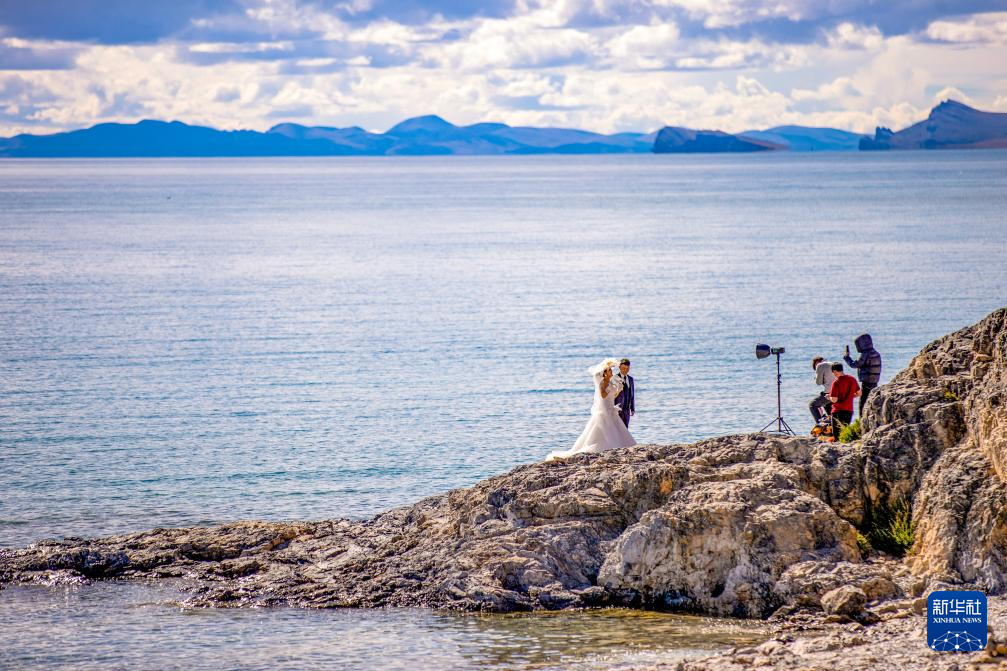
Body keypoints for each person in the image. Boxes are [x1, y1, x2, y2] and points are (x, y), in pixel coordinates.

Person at [547, 359, 636, 460]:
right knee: (607, 427)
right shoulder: (603, 383)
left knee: (615, 427)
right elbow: (603, 395)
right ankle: (607, 444)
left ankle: (618, 443)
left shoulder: (610, 381)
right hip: (605, 409)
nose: (611, 371)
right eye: (609, 370)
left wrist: (618, 391)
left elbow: (612, 396)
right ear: (605, 373)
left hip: (611, 407)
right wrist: (614, 389)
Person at [844, 333, 882, 416]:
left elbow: (855, 365)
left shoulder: (866, 354)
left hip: (867, 382)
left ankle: (862, 420)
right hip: (874, 382)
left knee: (863, 403)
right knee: (871, 401)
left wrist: (847, 358)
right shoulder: (876, 353)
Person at [828, 362, 861, 439]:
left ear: (834, 371)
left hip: (838, 411)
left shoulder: (836, 382)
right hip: (849, 410)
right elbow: (859, 393)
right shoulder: (852, 379)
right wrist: (850, 397)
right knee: (845, 433)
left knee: (837, 436)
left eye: (833, 372)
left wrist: (829, 397)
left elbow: (834, 400)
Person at [809, 356, 835, 425]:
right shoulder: (832, 364)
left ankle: (821, 425)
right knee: (826, 403)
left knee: (812, 405)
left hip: (831, 392)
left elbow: (818, 382)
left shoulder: (820, 366)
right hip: (840, 391)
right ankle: (830, 422)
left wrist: (816, 377)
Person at [613, 358, 635, 428]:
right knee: (618, 429)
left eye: (627, 368)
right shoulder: (615, 378)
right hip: (618, 410)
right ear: (619, 367)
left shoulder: (631, 379)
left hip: (627, 410)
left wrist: (632, 408)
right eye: (623, 368)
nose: (625, 370)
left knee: (626, 429)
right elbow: (612, 395)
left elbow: (632, 395)